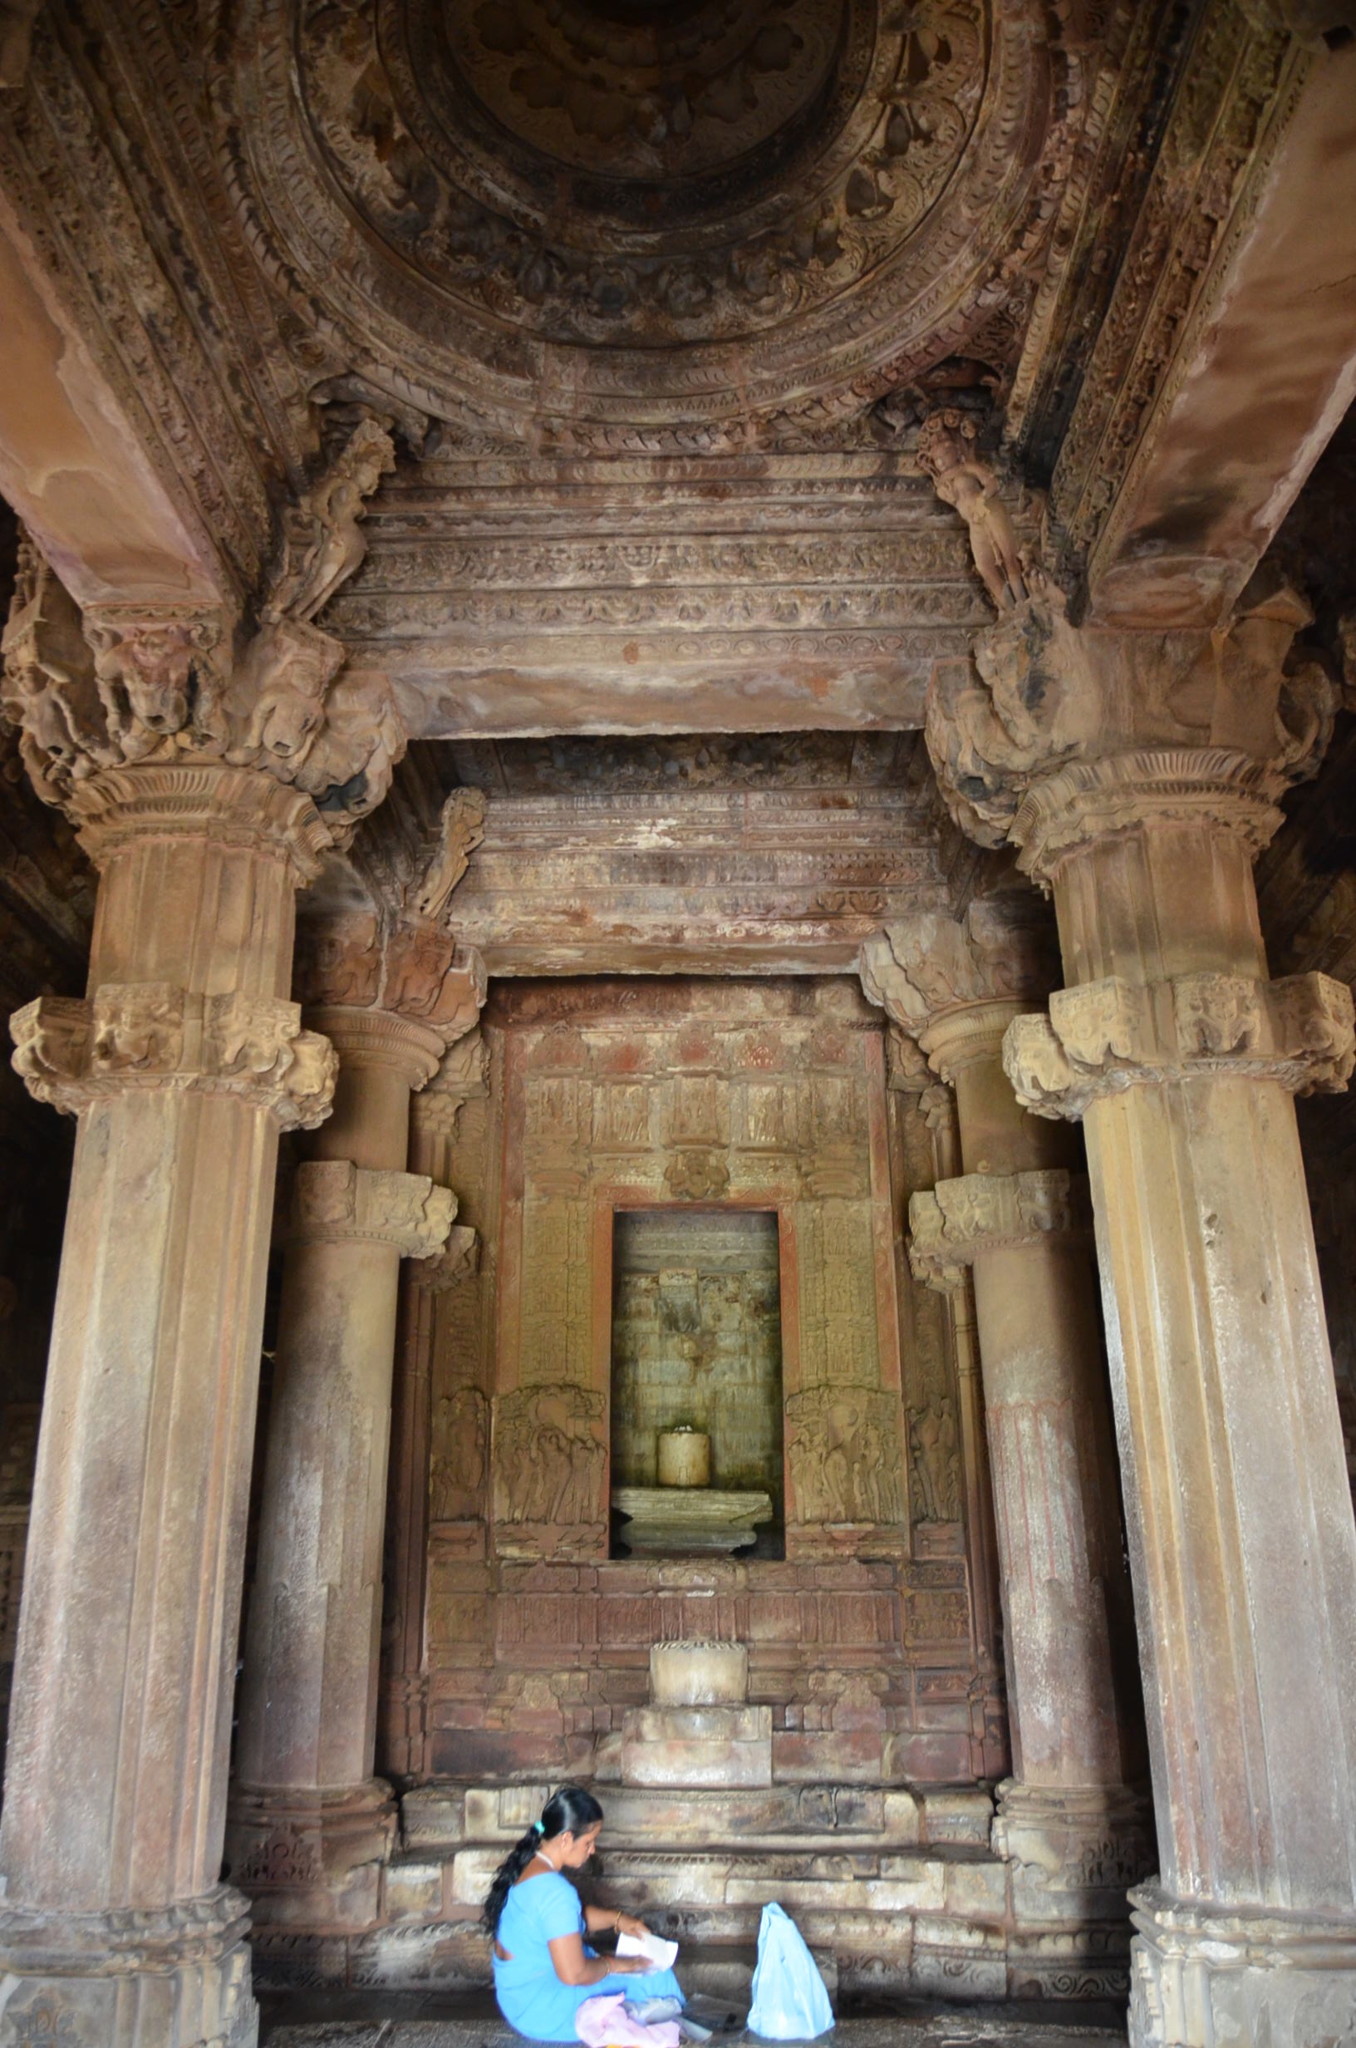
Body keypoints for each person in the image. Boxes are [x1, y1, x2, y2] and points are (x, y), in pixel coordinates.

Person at [483, 1784, 686, 2044]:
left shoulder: (529, 1869)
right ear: (566, 1838)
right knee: (655, 1976)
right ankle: (676, 2032)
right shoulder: (556, 1892)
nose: (593, 1850)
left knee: (608, 1963)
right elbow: (574, 1975)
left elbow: (567, 1919)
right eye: (589, 1842)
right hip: (544, 2010)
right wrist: (621, 1964)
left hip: (516, 1999)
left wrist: (618, 1920)